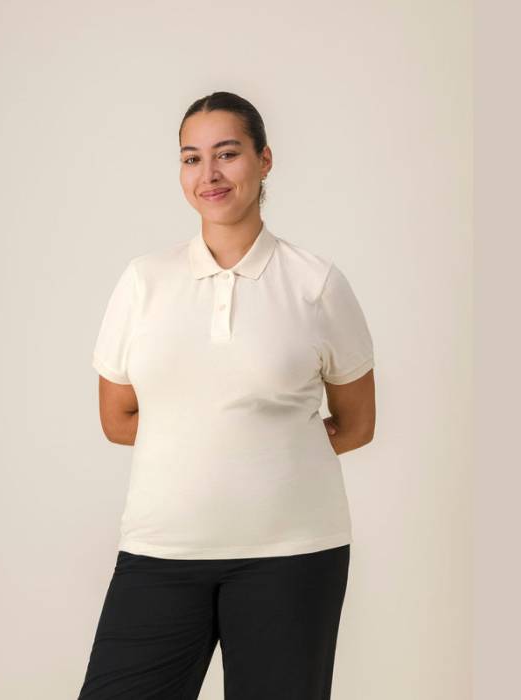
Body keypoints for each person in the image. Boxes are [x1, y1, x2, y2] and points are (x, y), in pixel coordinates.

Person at [77, 91, 376, 699]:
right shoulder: (144, 281)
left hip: (293, 555)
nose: (208, 173)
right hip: (161, 551)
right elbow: (118, 417)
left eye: (227, 153)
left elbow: (356, 423)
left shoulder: (315, 283)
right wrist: (213, 437)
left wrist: (267, 449)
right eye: (192, 158)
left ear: (265, 160)